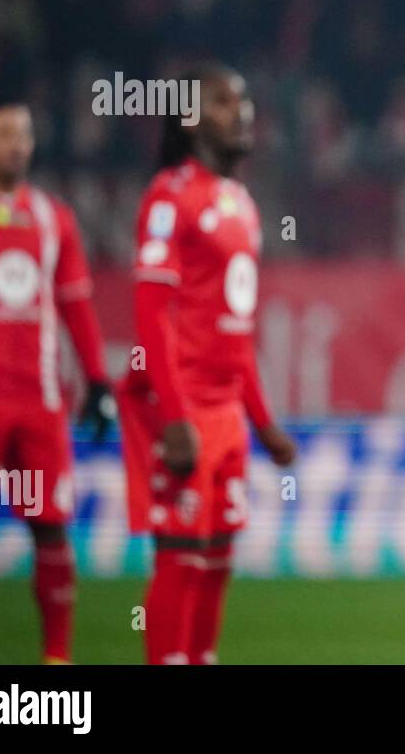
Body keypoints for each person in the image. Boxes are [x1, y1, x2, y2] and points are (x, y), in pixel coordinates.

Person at [117, 65, 295, 665]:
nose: (240, 110)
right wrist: (173, 417)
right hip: (181, 406)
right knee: (181, 554)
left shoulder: (241, 203)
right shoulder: (169, 197)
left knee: (217, 557)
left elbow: (235, 330)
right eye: (224, 102)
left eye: (244, 100)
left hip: (225, 415)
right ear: (191, 119)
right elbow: (150, 316)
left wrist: (262, 422)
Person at [0, 98, 114, 664]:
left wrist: (98, 381)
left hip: (39, 403)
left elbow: (76, 306)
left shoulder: (52, 217)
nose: (19, 144)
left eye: (26, 134)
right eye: (6, 133)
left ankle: (56, 661)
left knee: (51, 530)